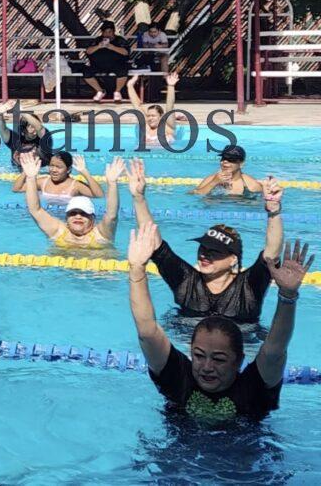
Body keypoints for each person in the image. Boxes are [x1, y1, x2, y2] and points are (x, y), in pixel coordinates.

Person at [128, 220, 312, 423]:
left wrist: (287, 296)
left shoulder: (253, 388)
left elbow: (275, 351)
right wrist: (136, 268)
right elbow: (147, 332)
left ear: (239, 361)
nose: (206, 366)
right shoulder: (178, 378)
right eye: (198, 355)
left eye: (219, 359)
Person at [129, 159, 284, 323]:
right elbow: (152, 241)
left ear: (233, 259)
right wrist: (138, 197)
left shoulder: (249, 286)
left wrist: (273, 211)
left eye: (214, 252)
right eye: (203, 249)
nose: (204, 255)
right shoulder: (186, 281)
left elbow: (271, 255)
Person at [21, 152, 122, 248]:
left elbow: (111, 215)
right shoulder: (58, 232)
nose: (78, 216)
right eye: (73, 213)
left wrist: (112, 184)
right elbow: (35, 210)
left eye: (84, 213)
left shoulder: (101, 235)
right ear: (66, 218)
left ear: (93, 219)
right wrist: (30, 178)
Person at [11, 151, 103, 203]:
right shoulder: (43, 182)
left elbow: (99, 195)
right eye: (51, 166)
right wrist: (26, 172)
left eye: (58, 167)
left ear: (68, 170)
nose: (53, 170)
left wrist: (84, 172)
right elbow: (17, 189)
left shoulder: (75, 186)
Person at [126, 72, 179, 147]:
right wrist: (130, 86)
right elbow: (137, 106)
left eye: (153, 116)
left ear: (161, 116)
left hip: (164, 156)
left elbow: (170, 107)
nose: (150, 118)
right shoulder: (146, 126)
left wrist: (171, 86)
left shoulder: (168, 128)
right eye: (148, 116)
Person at [82, 21, 130, 101]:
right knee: (86, 72)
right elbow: (88, 51)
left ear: (113, 31)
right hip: (98, 65)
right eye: (105, 32)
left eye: (109, 32)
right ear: (102, 32)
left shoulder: (120, 40)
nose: (107, 34)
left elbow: (126, 52)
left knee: (123, 71)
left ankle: (117, 92)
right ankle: (100, 91)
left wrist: (112, 47)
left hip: (116, 64)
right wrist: (98, 46)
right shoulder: (97, 40)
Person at [193, 145, 263, 197]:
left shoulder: (251, 185)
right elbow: (192, 195)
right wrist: (213, 182)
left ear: (241, 164)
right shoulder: (212, 179)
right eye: (223, 158)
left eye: (231, 159)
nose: (225, 161)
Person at [0, 101, 50, 167]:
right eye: (31, 126)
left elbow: (39, 128)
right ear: (24, 129)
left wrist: (22, 111)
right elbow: (3, 128)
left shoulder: (43, 138)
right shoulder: (15, 140)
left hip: (41, 171)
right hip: (17, 172)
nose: (35, 128)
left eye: (36, 124)